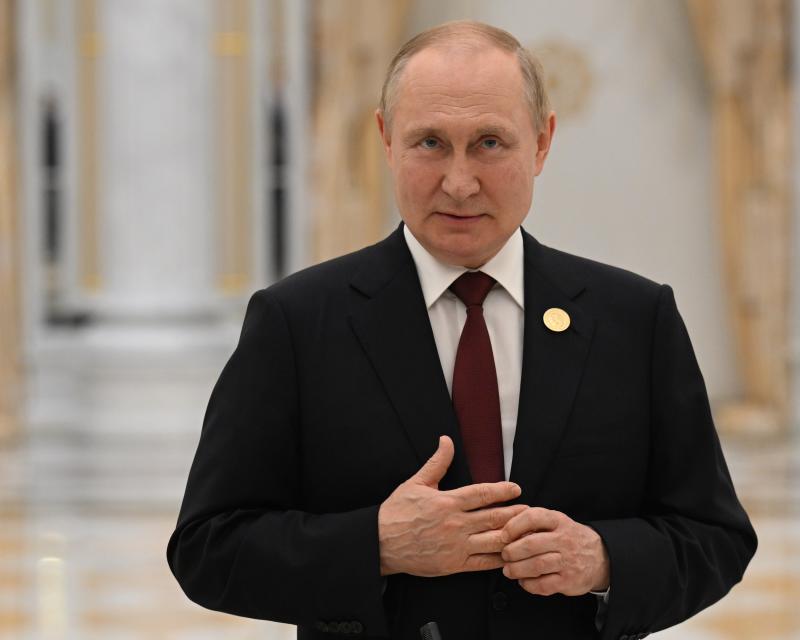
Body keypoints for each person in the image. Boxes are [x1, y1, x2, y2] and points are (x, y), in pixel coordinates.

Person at [167, 19, 756, 640]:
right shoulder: (296, 321)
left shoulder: (636, 320)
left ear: (543, 142)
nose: (459, 182)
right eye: (429, 143)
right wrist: (376, 544)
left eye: (489, 144)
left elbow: (714, 536)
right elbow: (208, 548)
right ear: (386, 139)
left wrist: (604, 559)